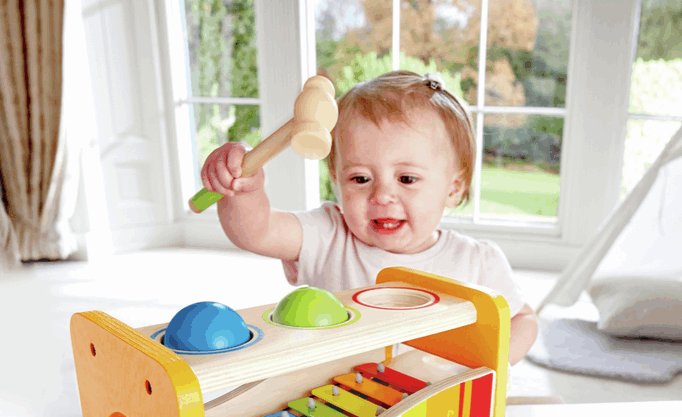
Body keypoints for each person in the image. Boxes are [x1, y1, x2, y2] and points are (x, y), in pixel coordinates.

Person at [200, 70, 538, 365]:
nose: (381, 196)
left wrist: (492, 364)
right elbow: (258, 232)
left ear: (454, 188)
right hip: (339, 403)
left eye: (407, 179)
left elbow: (523, 321)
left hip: (441, 405)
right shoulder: (330, 235)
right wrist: (242, 188)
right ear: (337, 179)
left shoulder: (478, 262)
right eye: (360, 178)